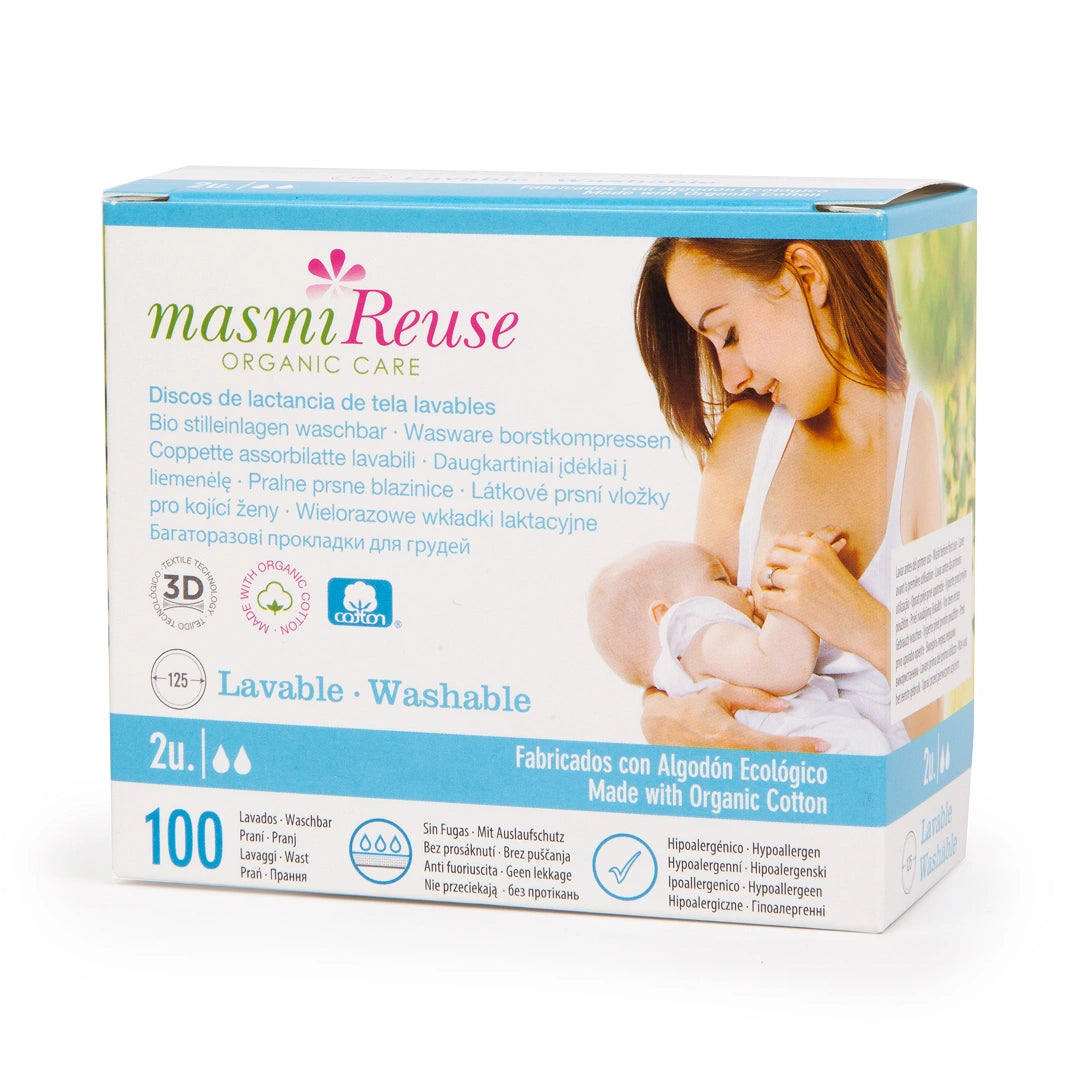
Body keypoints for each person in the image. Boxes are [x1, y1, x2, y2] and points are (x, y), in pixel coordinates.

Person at [633, 237, 944, 750]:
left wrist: (860, 622)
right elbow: (696, 643)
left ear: (806, 273)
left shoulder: (935, 436)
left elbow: (957, 734)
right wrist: (659, 711)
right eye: (713, 346)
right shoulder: (748, 444)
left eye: (729, 334)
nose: (731, 379)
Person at [587, 540, 890, 754]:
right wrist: (791, 591)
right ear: (667, 616)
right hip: (821, 748)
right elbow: (780, 666)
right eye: (721, 579)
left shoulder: (693, 664)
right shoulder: (699, 639)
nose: (743, 588)